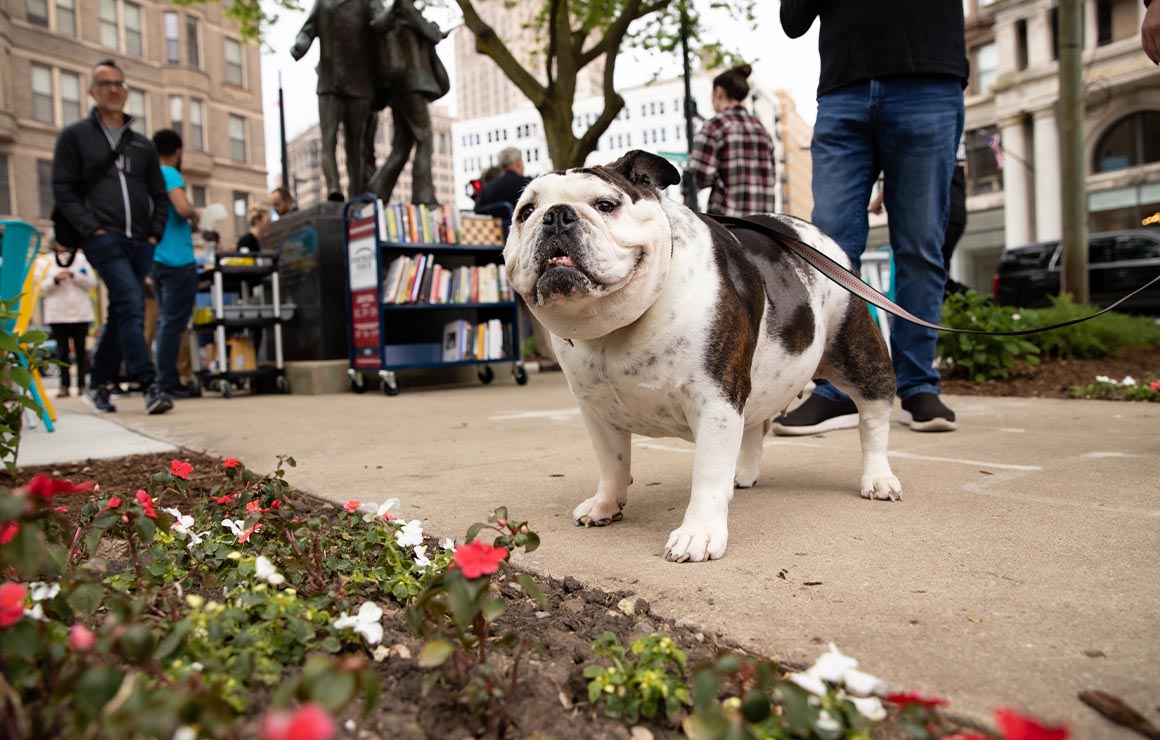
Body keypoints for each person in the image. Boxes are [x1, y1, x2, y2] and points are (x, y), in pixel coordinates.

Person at [775, 1, 967, 434]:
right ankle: (837, 388)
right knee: (828, 252)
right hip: (844, 88)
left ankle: (918, 384)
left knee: (920, 244)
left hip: (928, 78)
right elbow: (793, 21)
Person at [51, 59, 173, 415]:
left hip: (141, 241)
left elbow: (159, 193)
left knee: (122, 312)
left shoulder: (142, 145)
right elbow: (63, 187)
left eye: (120, 83)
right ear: (92, 91)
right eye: (106, 83)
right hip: (104, 240)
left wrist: (154, 233)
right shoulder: (76, 137)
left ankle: (97, 382)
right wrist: (91, 229)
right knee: (131, 305)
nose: (114, 89)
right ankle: (149, 384)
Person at [291, 0, 380, 201]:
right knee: (329, 138)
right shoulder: (324, 3)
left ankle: (356, 192)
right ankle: (334, 187)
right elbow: (307, 29)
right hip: (330, 80)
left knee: (356, 145)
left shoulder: (368, 2)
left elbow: (381, 25)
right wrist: (301, 44)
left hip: (359, 81)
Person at [366, 0, 450, 206]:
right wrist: (435, 30)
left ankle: (376, 192)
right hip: (412, 84)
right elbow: (431, 34)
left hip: (400, 88)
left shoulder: (395, 15)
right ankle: (423, 197)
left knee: (402, 145)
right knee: (424, 138)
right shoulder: (406, 10)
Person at [869, 132, 970, 298]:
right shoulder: (957, 127)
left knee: (923, 276)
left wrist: (877, 200)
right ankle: (971, 305)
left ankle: (980, 303)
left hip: (933, 210)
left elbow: (906, 161)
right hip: (957, 211)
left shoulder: (928, 119)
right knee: (937, 274)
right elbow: (965, 172)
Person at [686, 64, 778, 216]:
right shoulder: (762, 130)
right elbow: (772, 176)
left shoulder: (716, 126)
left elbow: (700, 176)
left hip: (729, 227)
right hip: (764, 228)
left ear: (719, 91)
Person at [151, 128, 201, 399]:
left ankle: (165, 377)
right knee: (173, 322)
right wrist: (195, 215)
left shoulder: (148, 178)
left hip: (158, 258)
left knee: (165, 321)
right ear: (178, 151)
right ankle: (169, 380)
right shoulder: (169, 173)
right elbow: (182, 209)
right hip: (176, 259)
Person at [39, 236, 96, 398]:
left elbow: (92, 282)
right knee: (62, 350)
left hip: (80, 312)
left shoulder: (81, 259)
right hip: (57, 313)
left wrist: (75, 276)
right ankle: (64, 385)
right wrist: (55, 279)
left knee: (81, 350)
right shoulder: (45, 261)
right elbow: (40, 287)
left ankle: (82, 385)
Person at [474, 147, 532, 235]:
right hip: (519, 239)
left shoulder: (487, 189)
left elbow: (476, 211)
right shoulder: (527, 184)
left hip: (490, 239)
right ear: (518, 164)